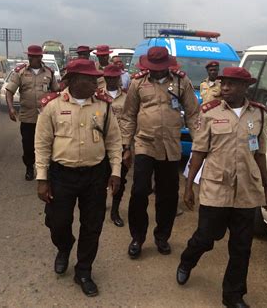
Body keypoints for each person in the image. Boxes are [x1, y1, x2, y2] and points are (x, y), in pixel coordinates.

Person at [176, 67, 267, 308]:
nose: (225, 88)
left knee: (242, 248)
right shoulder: (210, 112)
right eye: (223, 83)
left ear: (245, 87)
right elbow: (199, 151)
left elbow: (260, 154)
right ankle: (187, 261)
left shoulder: (259, 114)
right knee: (206, 238)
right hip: (216, 188)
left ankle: (233, 295)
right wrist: (188, 187)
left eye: (231, 84)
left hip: (246, 192)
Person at [35, 59, 122, 297]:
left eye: (96, 78)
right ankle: (64, 247)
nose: (95, 83)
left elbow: (114, 141)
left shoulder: (103, 106)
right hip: (62, 174)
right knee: (58, 222)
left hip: (95, 174)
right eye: (89, 78)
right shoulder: (52, 106)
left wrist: (115, 172)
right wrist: (42, 178)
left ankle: (83, 271)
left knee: (92, 226)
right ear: (72, 80)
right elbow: (42, 144)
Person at [121, 47, 200, 259]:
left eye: (160, 68)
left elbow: (193, 114)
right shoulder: (138, 82)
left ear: (168, 65)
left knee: (168, 195)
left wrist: (199, 142)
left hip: (171, 146)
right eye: (152, 68)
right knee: (139, 191)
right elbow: (129, 116)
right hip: (145, 143)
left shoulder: (182, 82)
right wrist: (126, 146)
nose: (156, 72)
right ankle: (137, 237)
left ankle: (162, 236)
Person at [5, 45, 59, 181]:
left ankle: (47, 169)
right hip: (28, 117)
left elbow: (56, 92)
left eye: (35, 56)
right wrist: (11, 108)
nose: (32, 58)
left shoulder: (49, 73)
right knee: (28, 146)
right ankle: (29, 167)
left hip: (46, 117)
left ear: (40, 57)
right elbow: (9, 91)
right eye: (30, 56)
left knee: (48, 143)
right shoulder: (20, 72)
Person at [103, 64, 129, 227]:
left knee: (120, 178)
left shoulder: (127, 97)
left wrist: (129, 147)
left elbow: (132, 121)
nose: (115, 79)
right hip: (101, 145)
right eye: (111, 77)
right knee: (100, 178)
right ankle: (99, 205)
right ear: (105, 78)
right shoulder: (97, 96)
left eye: (117, 77)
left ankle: (115, 211)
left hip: (121, 145)